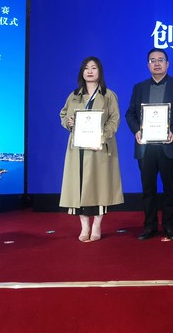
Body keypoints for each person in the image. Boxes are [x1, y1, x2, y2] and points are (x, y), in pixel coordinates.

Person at [124, 49, 173, 242]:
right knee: (148, 190)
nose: (157, 63)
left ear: (167, 64)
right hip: (145, 146)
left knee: (170, 189)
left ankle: (170, 227)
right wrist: (137, 130)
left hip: (170, 145)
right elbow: (130, 114)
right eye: (152, 60)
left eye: (160, 60)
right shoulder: (139, 87)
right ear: (147, 65)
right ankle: (149, 226)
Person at [59, 56, 124, 242]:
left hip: (99, 147)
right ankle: (84, 226)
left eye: (94, 68)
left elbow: (114, 119)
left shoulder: (108, 95)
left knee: (99, 186)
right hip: (78, 148)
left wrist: (103, 135)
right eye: (86, 68)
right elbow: (64, 115)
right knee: (79, 185)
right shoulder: (74, 95)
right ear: (82, 72)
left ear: (100, 72)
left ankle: (97, 225)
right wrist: (69, 122)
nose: (89, 71)